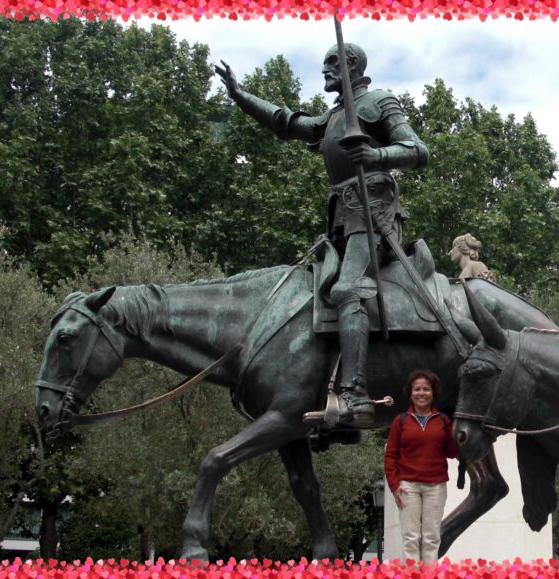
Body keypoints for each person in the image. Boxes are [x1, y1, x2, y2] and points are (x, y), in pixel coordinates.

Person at [214, 44, 429, 428]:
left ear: (352, 65)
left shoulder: (378, 102)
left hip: (374, 214)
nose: (325, 70)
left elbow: (418, 150)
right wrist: (239, 94)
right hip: (342, 219)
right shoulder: (332, 118)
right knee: (315, 295)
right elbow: (286, 122)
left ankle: (356, 395)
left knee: (348, 289)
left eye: (332, 63)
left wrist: (376, 157)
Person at [384, 370, 458, 562]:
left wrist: (461, 437)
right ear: (410, 393)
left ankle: (429, 574)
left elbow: (451, 452)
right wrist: (394, 485)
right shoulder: (400, 421)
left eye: (426, 389)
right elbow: (390, 456)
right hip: (407, 487)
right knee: (410, 538)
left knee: (431, 538)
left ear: (433, 393)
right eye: (417, 389)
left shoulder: (443, 420)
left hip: (436, 487)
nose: (421, 393)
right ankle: (412, 574)